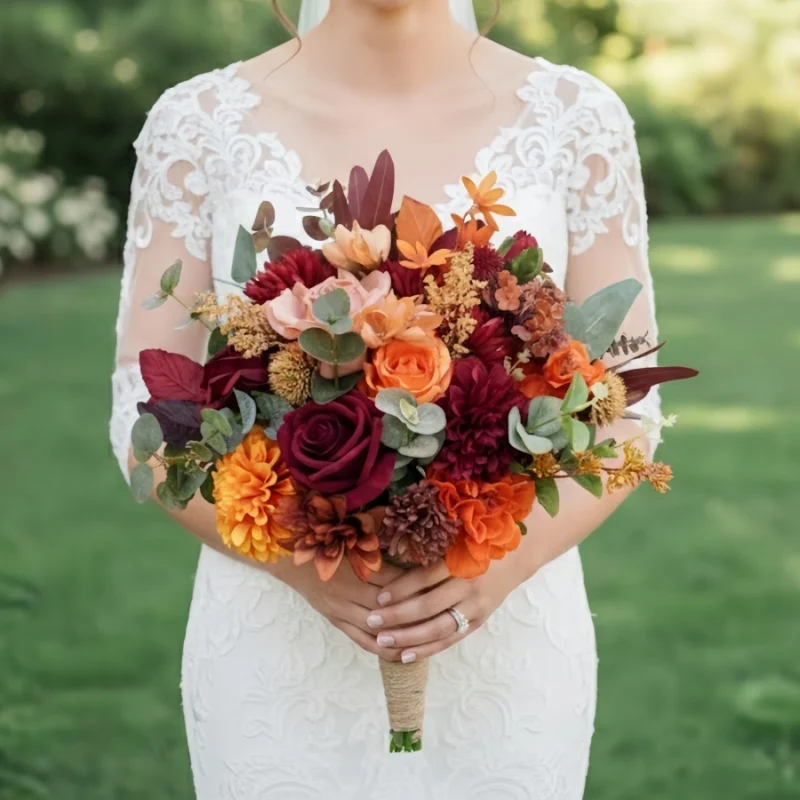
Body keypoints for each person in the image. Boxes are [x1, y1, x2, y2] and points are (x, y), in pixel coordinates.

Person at [110, 0, 662, 796]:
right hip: (276, 643)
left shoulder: (578, 120)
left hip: (508, 637)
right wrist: (302, 565)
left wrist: (499, 569)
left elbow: (629, 405)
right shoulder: (197, 125)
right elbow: (142, 409)